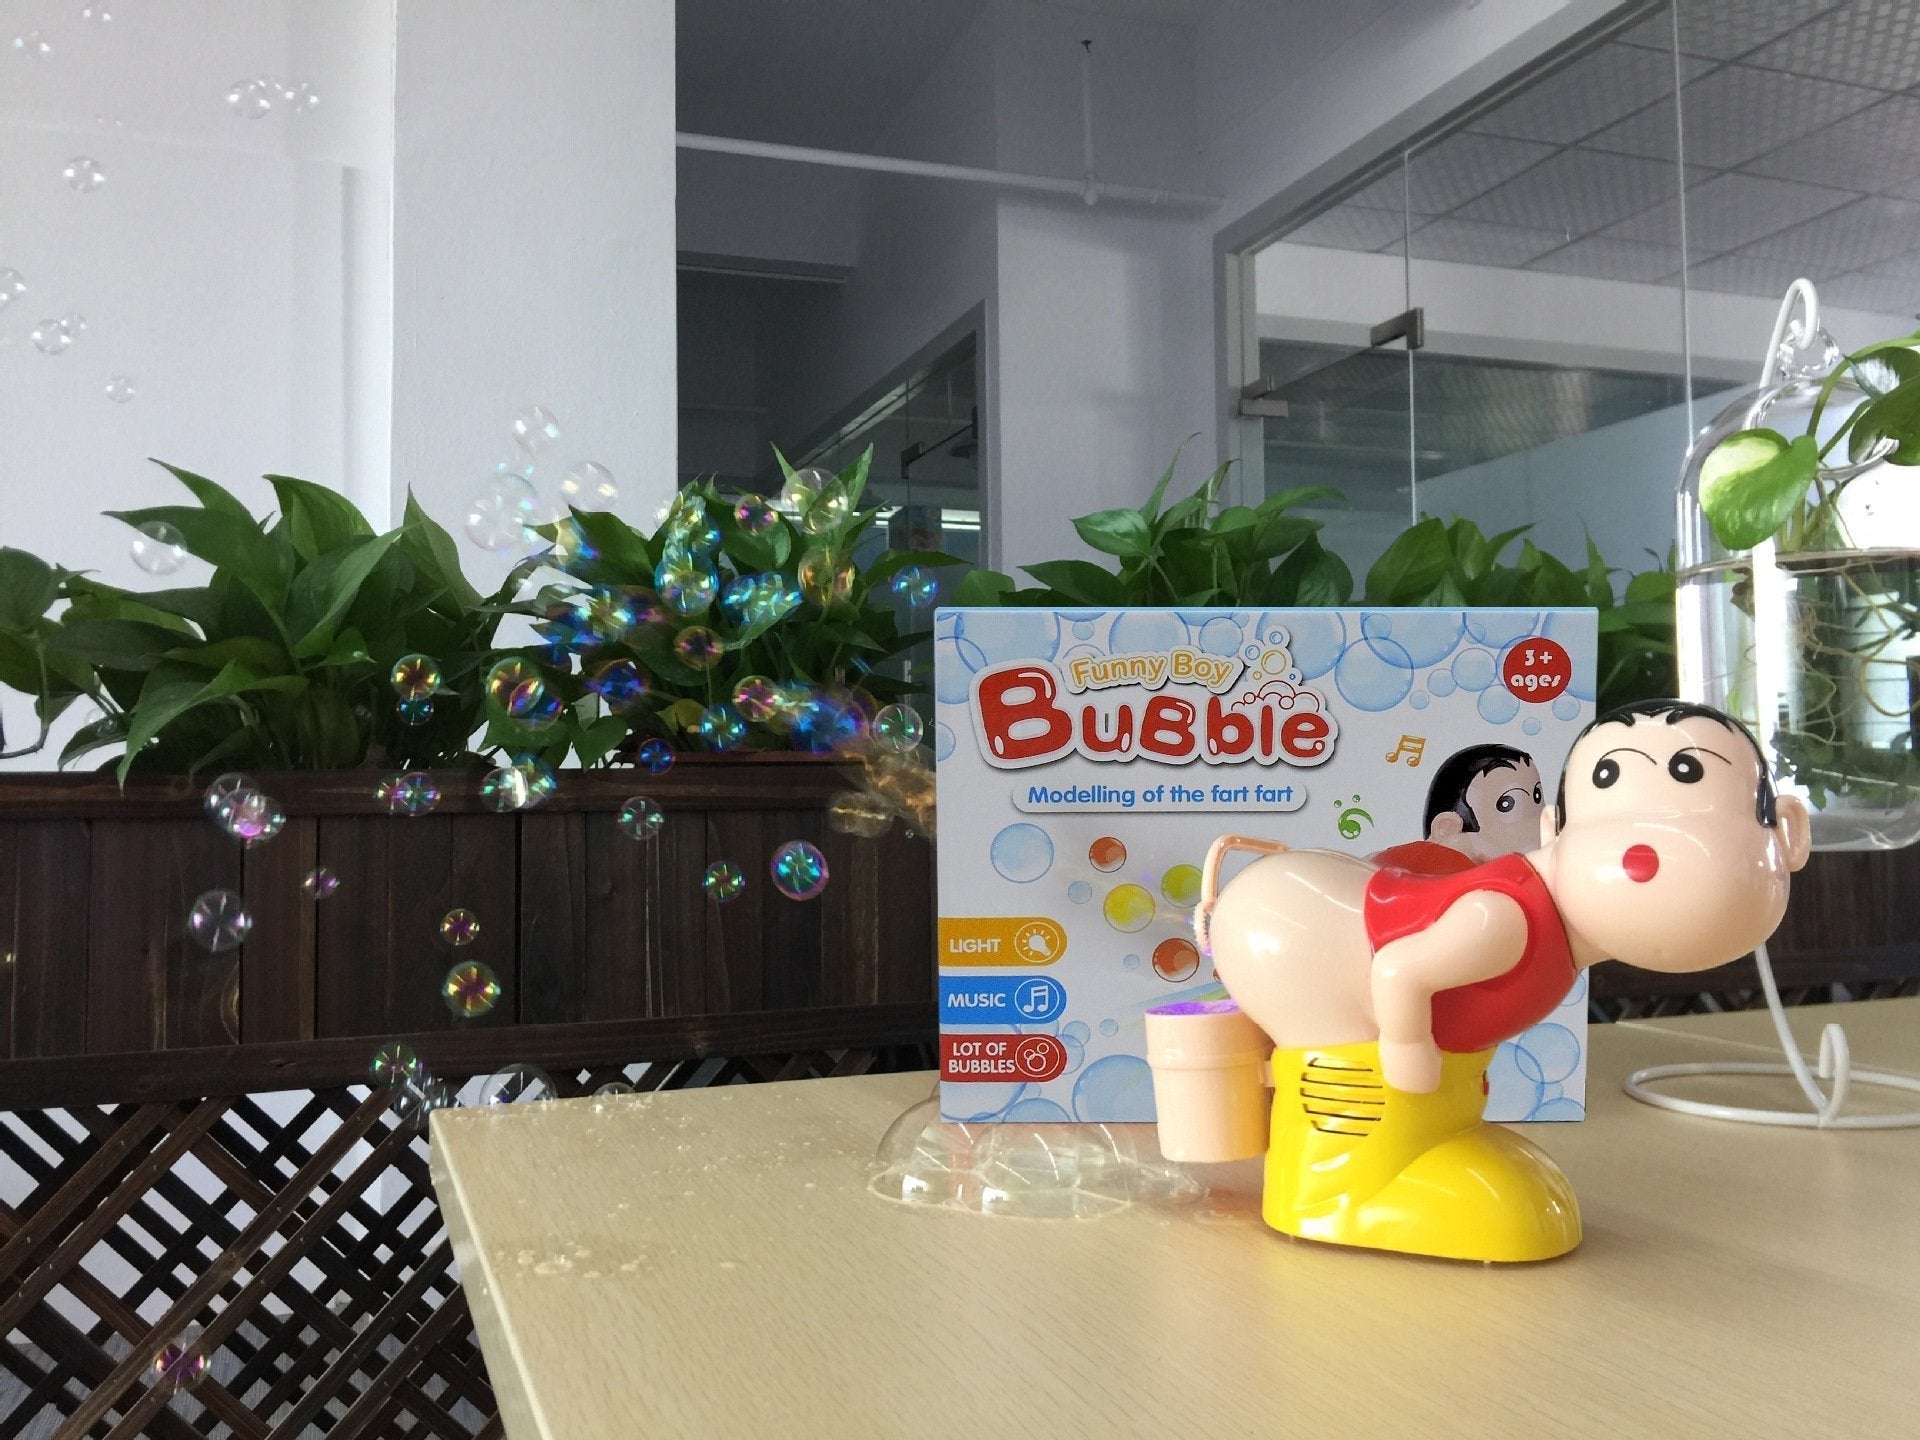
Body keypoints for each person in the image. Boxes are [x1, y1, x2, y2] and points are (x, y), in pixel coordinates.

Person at [1170, 700, 1811, 1262]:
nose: (1644, 853)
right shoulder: (1508, 916)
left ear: (1788, 832)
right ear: (1556, 832)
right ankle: (1335, 1193)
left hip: (1301, 909)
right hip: (1293, 929)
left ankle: (1428, 1142)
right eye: (1611, 781)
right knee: (1353, 1061)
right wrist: (1407, 1048)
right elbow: (1398, 968)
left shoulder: (1553, 930)